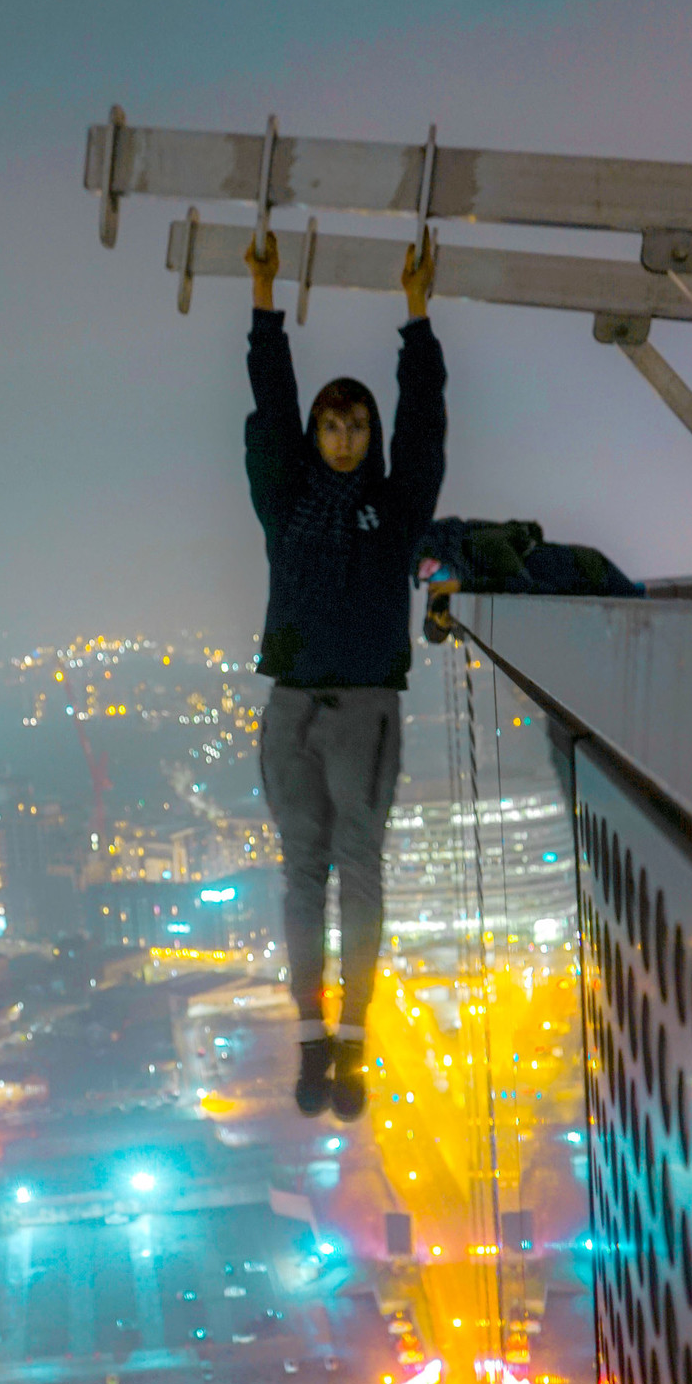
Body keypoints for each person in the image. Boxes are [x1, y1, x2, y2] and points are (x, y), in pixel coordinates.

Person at [245, 228, 446, 1119]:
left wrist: (416, 319)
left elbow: (424, 426)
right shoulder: (285, 503)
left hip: (363, 707)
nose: (340, 436)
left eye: (354, 423)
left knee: (354, 870)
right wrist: (263, 300)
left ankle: (354, 1036)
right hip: (291, 706)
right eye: (329, 424)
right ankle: (309, 1035)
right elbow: (270, 404)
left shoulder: (394, 507)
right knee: (303, 875)